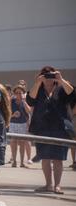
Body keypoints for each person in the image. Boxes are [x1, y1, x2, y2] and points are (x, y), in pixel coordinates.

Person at [27, 66, 75, 194]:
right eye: (45, 76)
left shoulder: (61, 88)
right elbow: (30, 100)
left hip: (60, 128)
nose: (48, 78)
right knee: (45, 157)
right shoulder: (38, 89)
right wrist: (37, 82)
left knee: (58, 158)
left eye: (51, 76)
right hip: (42, 128)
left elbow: (72, 94)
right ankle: (48, 184)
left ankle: (57, 185)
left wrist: (61, 80)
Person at [9, 85, 32, 167]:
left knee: (22, 144)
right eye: (16, 93)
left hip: (23, 124)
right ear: (14, 93)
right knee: (13, 143)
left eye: (20, 93)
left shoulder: (25, 101)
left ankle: (22, 162)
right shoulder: (11, 102)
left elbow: (29, 111)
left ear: (23, 93)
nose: (18, 94)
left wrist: (24, 101)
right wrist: (13, 115)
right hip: (13, 124)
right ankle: (14, 161)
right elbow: (7, 115)